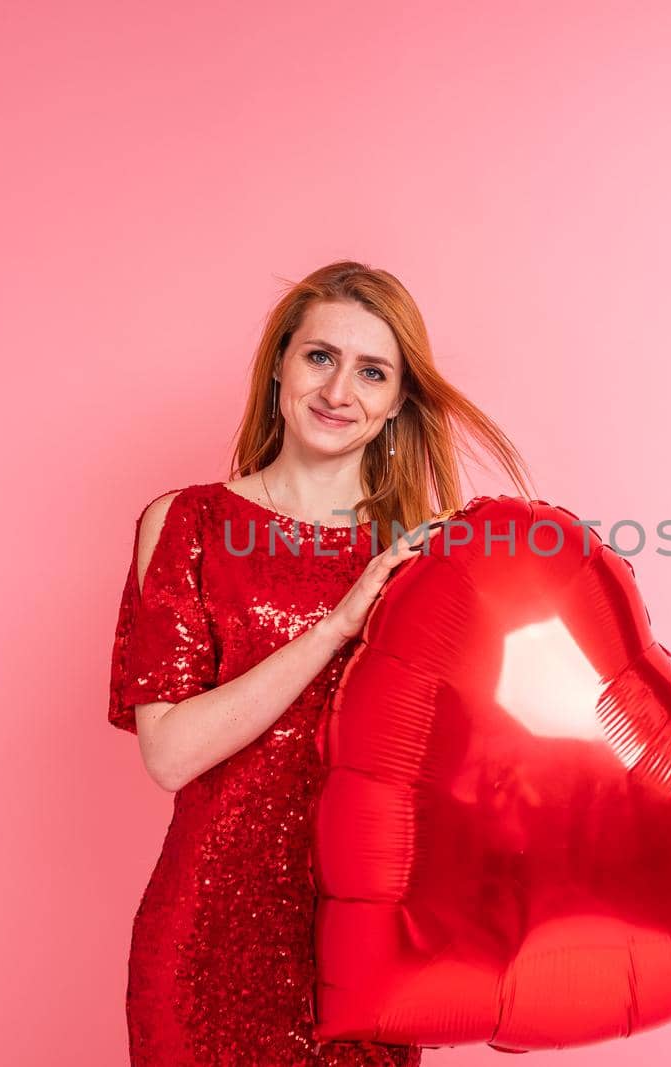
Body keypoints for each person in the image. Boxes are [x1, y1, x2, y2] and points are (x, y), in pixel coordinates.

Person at [107, 260, 534, 1066]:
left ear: (398, 400)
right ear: (280, 364)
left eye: (372, 371)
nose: (340, 389)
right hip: (208, 939)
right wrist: (340, 624)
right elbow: (169, 753)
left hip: (365, 957)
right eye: (319, 357)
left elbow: (467, 770)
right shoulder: (188, 522)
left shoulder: (428, 556)